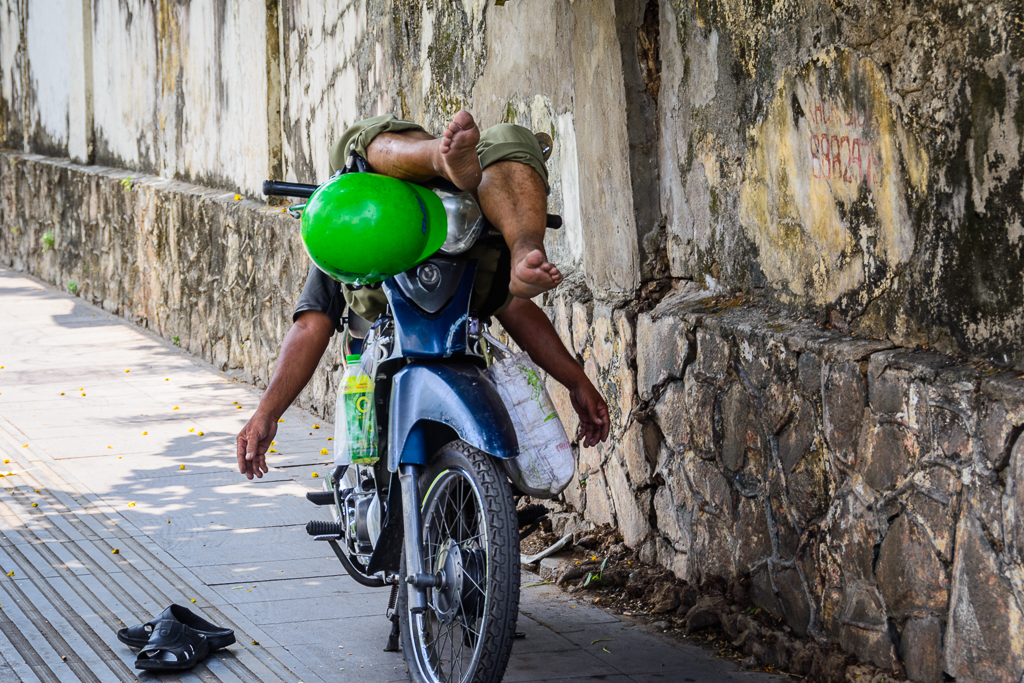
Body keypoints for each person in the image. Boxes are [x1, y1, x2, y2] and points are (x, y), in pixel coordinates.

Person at [236, 111, 609, 480]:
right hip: (403, 320)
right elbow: (512, 306)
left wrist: (577, 382)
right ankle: (453, 173)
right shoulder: (352, 226)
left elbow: (515, 306)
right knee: (379, 142)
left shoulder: (458, 227)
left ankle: (523, 246)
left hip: (461, 263)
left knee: (366, 144)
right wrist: (267, 412)